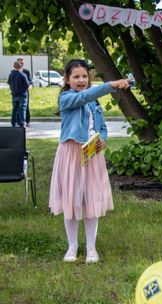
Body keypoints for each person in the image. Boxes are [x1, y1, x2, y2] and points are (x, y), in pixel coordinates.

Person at [49, 59, 131, 263]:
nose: (81, 80)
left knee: (90, 200)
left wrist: (102, 139)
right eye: (76, 76)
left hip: (92, 154)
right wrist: (110, 85)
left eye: (84, 76)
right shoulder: (66, 99)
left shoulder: (94, 102)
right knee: (71, 199)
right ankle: (72, 246)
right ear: (67, 80)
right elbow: (84, 97)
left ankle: (91, 248)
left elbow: (101, 127)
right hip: (71, 154)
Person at [7, 61, 30, 127]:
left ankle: (13, 123)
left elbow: (9, 83)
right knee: (22, 109)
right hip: (22, 94)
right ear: (21, 67)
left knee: (15, 109)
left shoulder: (11, 74)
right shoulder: (23, 75)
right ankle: (22, 124)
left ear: (14, 66)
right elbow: (27, 85)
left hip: (14, 94)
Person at [17, 57, 32, 127]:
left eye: (22, 63)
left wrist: (29, 85)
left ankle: (27, 121)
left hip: (25, 92)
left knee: (26, 107)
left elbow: (29, 81)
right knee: (16, 106)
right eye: (20, 62)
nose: (22, 64)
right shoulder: (14, 72)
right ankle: (18, 121)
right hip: (16, 92)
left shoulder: (26, 71)